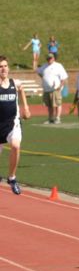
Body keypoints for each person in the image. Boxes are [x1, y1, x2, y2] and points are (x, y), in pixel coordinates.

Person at [0, 56, 31, 195]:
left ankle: (12, 178)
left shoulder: (14, 83)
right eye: (0, 66)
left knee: (16, 145)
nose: (3, 69)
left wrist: (26, 107)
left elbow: (21, 88)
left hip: (13, 124)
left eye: (5, 66)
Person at [37, 53, 68, 124]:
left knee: (57, 104)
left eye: (51, 58)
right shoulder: (44, 66)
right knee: (49, 105)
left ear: (54, 58)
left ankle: (58, 118)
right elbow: (38, 71)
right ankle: (50, 118)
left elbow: (64, 77)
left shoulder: (58, 66)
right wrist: (43, 77)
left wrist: (60, 86)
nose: (49, 59)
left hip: (55, 89)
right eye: (48, 58)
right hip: (47, 89)